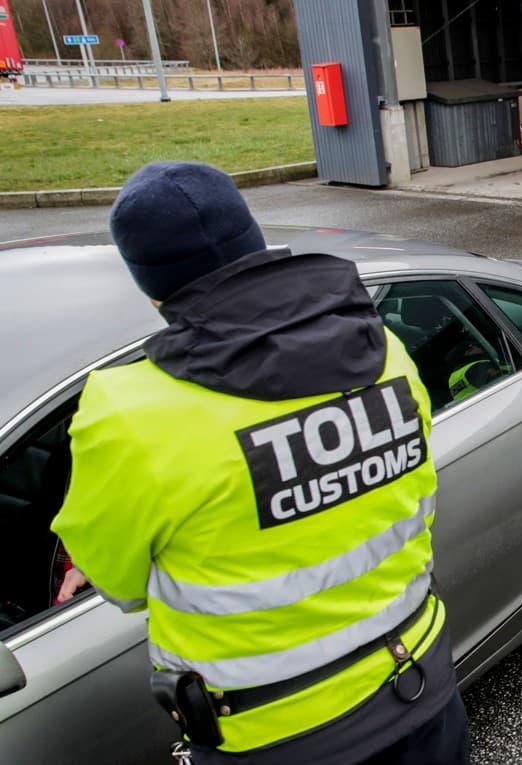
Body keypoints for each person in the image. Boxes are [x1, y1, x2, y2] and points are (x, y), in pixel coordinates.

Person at [49, 162, 470, 765]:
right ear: (254, 243)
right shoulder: (384, 349)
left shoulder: (126, 414)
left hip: (274, 735)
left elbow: (119, 586)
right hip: (422, 692)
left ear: (152, 289)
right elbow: (411, 498)